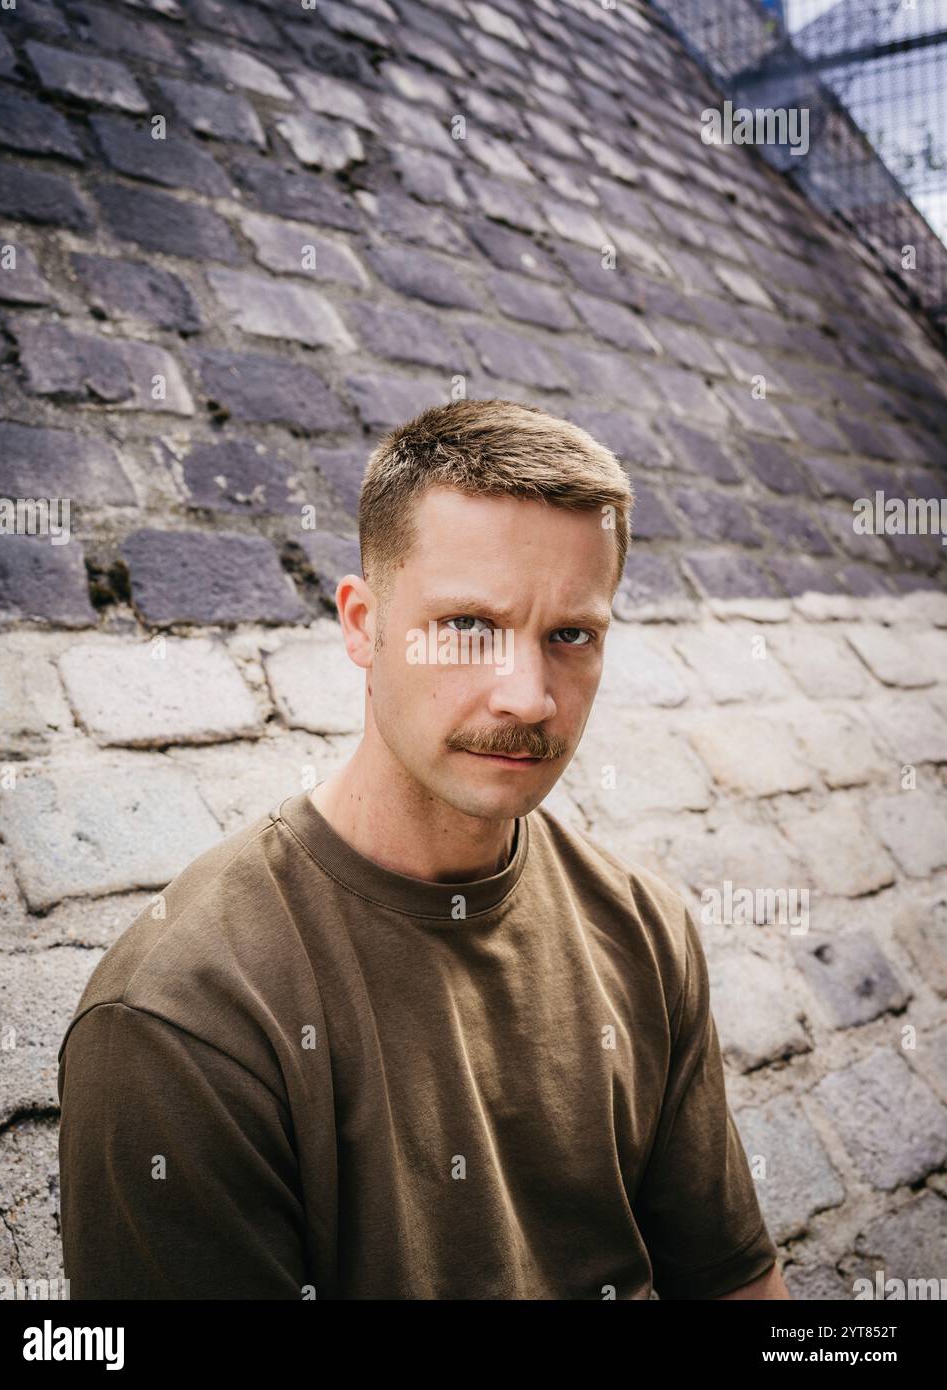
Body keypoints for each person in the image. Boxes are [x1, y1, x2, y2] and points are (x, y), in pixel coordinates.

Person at [57, 397, 789, 1300]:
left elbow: (733, 1282)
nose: (528, 696)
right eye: (468, 627)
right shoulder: (183, 1020)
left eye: (571, 635)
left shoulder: (643, 924)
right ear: (362, 625)